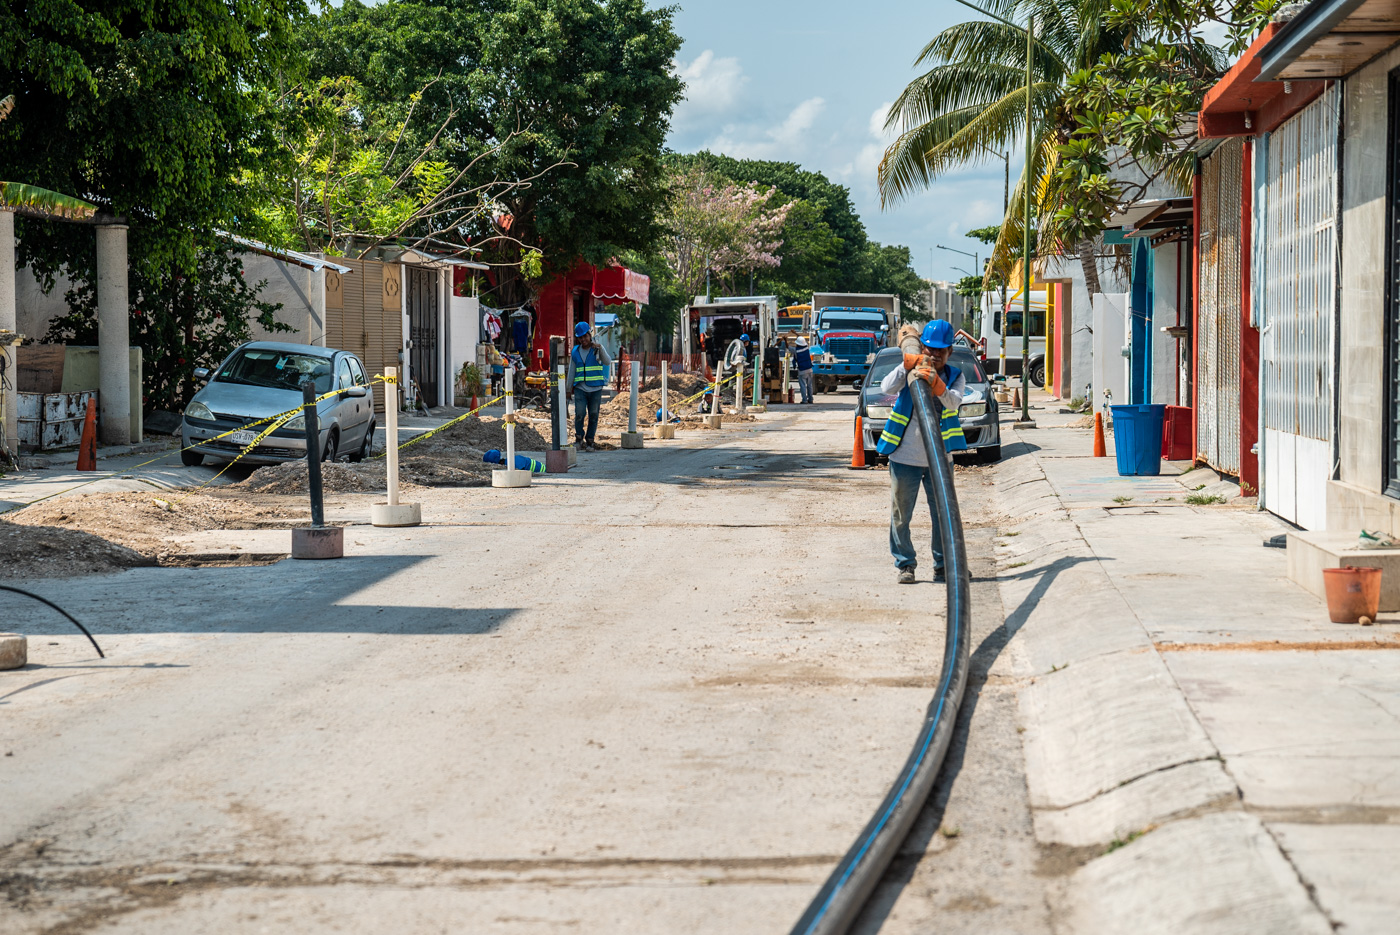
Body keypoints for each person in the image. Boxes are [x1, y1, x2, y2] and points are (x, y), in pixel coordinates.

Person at [877, 319, 968, 584]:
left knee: (943, 515)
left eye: (941, 350)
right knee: (901, 516)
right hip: (905, 457)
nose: (935, 355)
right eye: (930, 349)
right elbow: (885, 388)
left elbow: (953, 404)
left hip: (940, 459)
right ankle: (905, 564)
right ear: (923, 347)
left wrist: (937, 384)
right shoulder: (909, 369)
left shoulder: (955, 376)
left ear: (950, 351)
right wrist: (906, 365)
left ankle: (942, 566)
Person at [568, 321, 612, 451]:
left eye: (585, 336)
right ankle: (579, 438)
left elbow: (607, 361)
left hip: (596, 389)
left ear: (590, 335)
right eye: (580, 337)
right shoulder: (575, 352)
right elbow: (571, 371)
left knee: (593, 414)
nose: (583, 340)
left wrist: (600, 348)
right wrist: (567, 389)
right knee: (580, 413)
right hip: (580, 388)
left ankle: (590, 440)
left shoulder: (597, 349)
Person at [793, 337, 815, 404]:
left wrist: (785, 340)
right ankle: (810, 399)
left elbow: (788, 347)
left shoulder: (795, 350)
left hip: (802, 371)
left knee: (803, 386)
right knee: (809, 385)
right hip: (810, 369)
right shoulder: (807, 348)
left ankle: (804, 400)